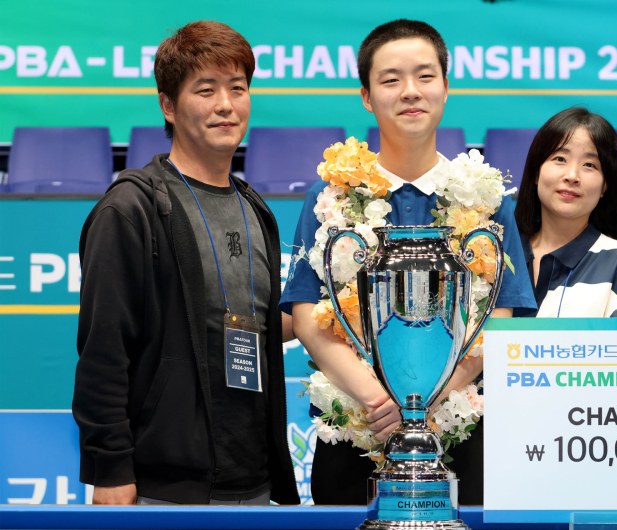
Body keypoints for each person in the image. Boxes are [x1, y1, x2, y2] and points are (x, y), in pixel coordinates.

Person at [280, 19, 536, 505]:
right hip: (358, 428)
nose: (410, 91)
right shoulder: (329, 198)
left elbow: (499, 320)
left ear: (446, 87)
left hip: (456, 430)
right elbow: (308, 316)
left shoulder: (486, 201)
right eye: (391, 79)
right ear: (366, 96)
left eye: (424, 76)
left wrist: (423, 404)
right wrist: (380, 401)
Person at [73, 21, 300, 506]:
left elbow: (253, 324)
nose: (225, 104)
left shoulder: (254, 207)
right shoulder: (130, 209)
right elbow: (103, 349)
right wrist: (110, 468)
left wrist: (330, 316)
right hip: (161, 489)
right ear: (168, 106)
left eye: (237, 88)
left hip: (255, 483)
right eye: (206, 89)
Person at [514, 107, 617, 318]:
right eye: (560, 159)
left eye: (589, 165)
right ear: (536, 172)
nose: (572, 176)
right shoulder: (497, 254)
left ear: (605, 186)